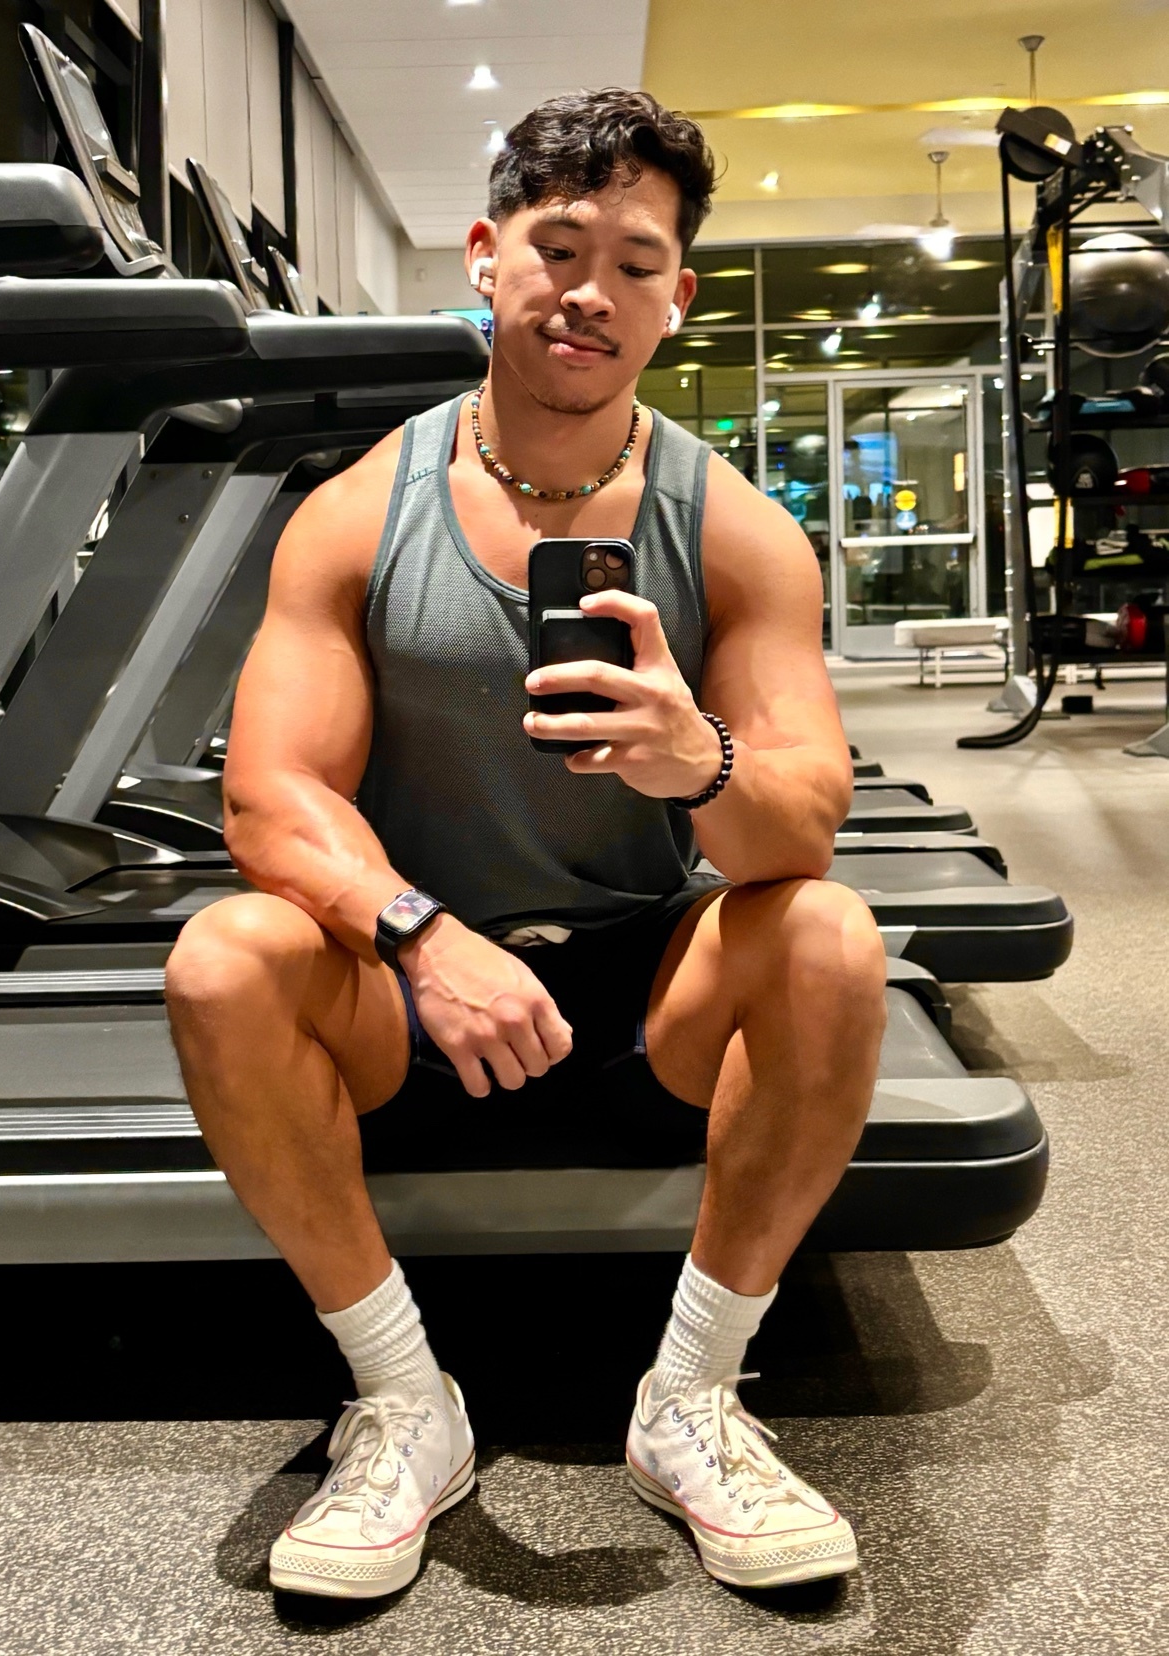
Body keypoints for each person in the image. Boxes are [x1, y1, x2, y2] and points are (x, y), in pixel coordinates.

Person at [165, 87, 888, 1601]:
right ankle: (400, 1406)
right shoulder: (357, 512)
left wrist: (700, 760)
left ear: (676, 299)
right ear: (488, 257)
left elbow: (801, 821)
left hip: (640, 993)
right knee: (225, 958)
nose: (590, 291)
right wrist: (424, 936)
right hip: (404, 997)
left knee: (827, 932)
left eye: (635, 261)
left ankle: (689, 1399)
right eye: (558, 247)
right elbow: (267, 798)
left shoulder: (738, 526)